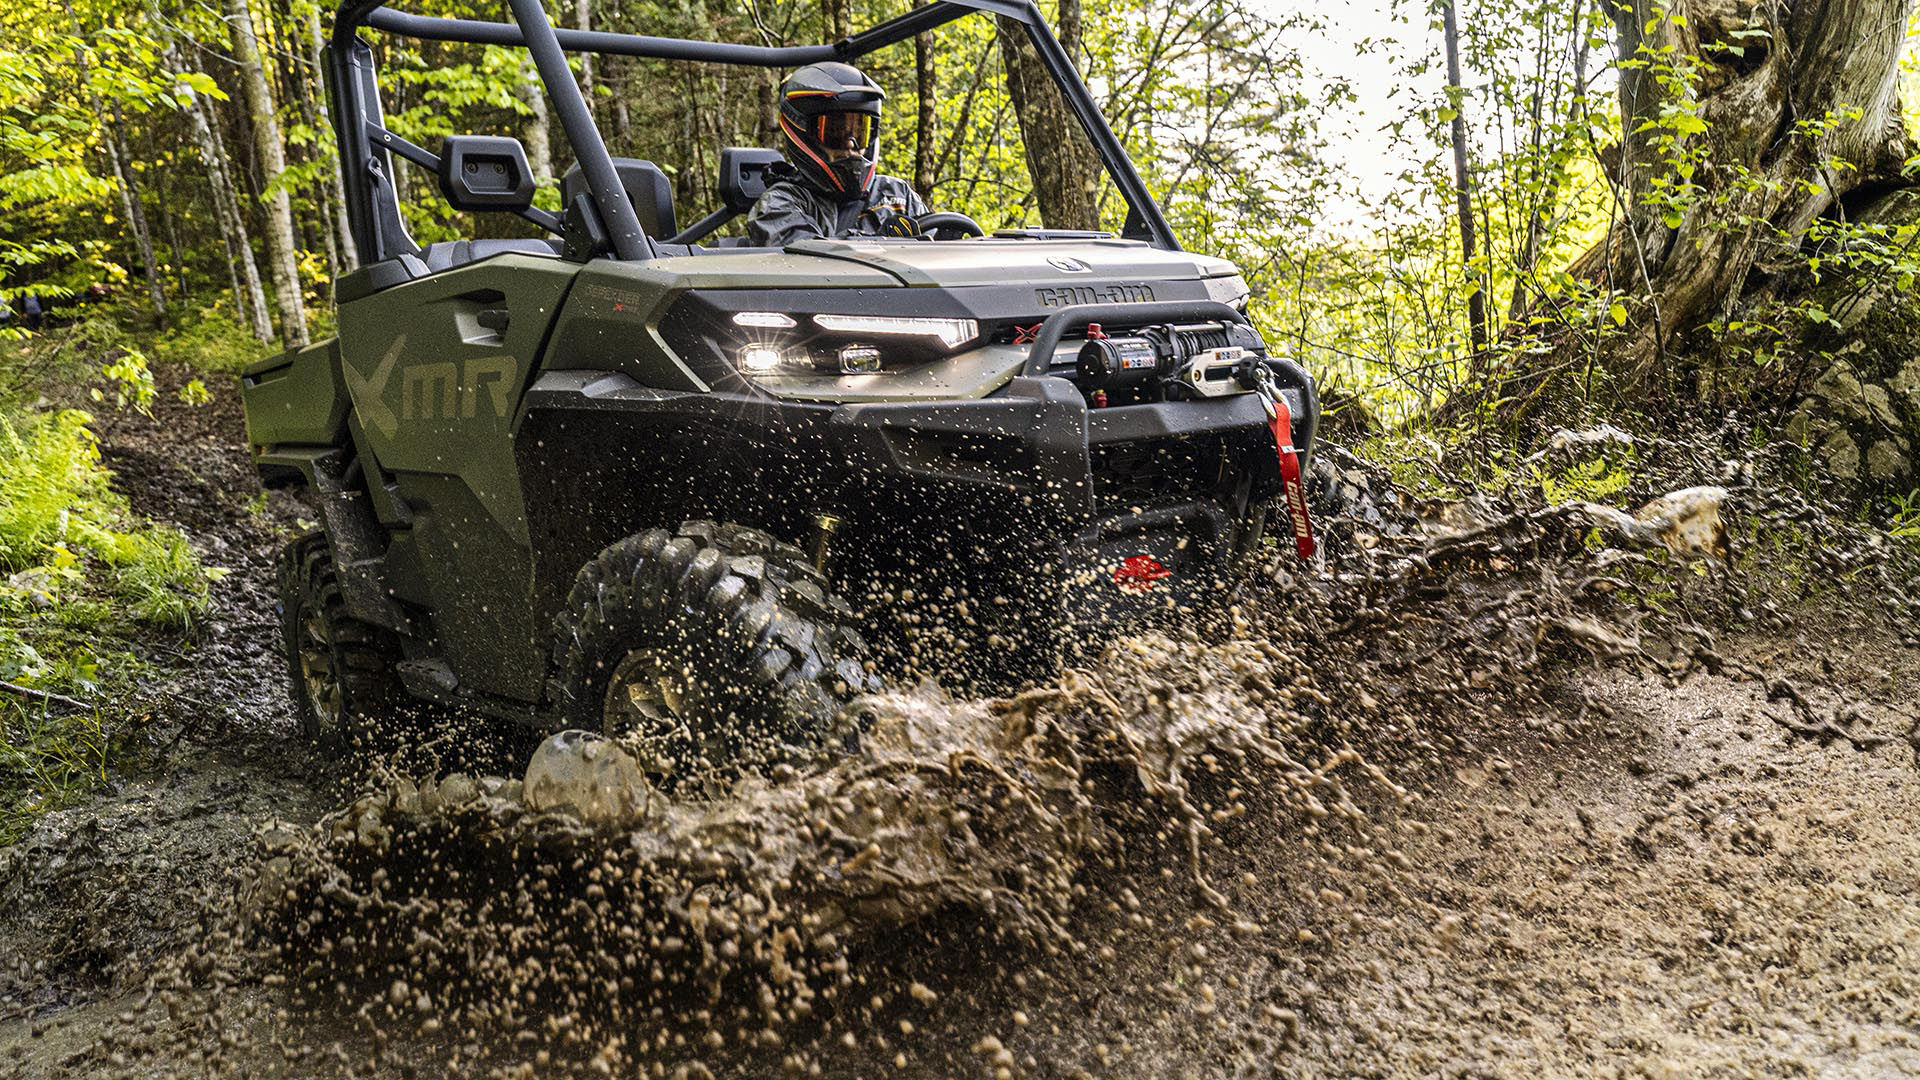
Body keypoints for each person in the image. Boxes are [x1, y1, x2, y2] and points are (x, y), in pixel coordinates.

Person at [747, 62, 928, 248]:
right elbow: (807, 262)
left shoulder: (897, 195)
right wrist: (882, 243)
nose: (850, 144)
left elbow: (937, 245)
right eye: (835, 132)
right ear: (804, 134)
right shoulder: (777, 204)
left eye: (860, 132)